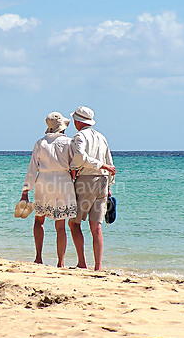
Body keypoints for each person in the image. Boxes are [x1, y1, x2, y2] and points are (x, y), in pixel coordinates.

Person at [21, 112, 77, 267]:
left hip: (43, 181)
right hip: (63, 181)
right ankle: (61, 262)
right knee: (60, 225)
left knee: (39, 220)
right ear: (63, 128)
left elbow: (32, 168)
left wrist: (25, 191)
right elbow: (74, 166)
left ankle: (38, 257)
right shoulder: (69, 143)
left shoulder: (40, 143)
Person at [68, 106, 116, 271]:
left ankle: (82, 262)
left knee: (74, 223)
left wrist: (75, 167)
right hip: (103, 180)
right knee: (96, 226)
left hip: (86, 179)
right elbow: (110, 162)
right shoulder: (101, 137)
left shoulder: (79, 136)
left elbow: (80, 157)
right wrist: (109, 185)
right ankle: (98, 266)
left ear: (77, 121)